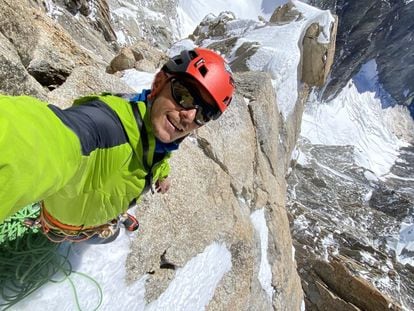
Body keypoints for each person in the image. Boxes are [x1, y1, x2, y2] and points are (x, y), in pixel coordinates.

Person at [0, 48, 235, 243]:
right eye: (184, 95)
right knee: (108, 238)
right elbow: (43, 138)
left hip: (97, 207)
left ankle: (114, 216)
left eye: (205, 114)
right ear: (159, 83)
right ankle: (105, 227)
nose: (189, 116)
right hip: (67, 225)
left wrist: (162, 173)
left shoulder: (159, 130)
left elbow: (159, 154)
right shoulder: (104, 127)